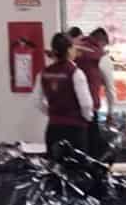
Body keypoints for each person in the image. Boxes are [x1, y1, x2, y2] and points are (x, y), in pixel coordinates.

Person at [33, 32, 94, 160]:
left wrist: (53, 114)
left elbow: (37, 102)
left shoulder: (44, 73)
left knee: (56, 170)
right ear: (68, 50)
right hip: (75, 130)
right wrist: (87, 118)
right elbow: (86, 104)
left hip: (54, 129)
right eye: (73, 47)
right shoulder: (76, 73)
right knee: (77, 171)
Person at [74, 27, 117, 159]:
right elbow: (110, 88)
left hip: (68, 112)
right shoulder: (101, 57)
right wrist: (110, 112)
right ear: (102, 41)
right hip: (89, 111)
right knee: (91, 154)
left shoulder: (74, 49)